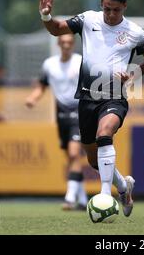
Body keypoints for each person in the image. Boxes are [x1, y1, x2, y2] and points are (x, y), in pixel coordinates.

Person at [38, 0, 144, 217]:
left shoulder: (136, 33)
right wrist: (46, 14)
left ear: (125, 7)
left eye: (117, 10)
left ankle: (103, 196)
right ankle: (123, 187)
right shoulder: (88, 20)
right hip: (87, 99)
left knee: (105, 134)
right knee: (93, 159)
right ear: (102, 3)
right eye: (108, 8)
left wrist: (133, 74)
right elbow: (57, 29)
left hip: (114, 97)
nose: (111, 14)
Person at [25, 34, 88, 211]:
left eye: (69, 42)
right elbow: (41, 86)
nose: (67, 45)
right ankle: (82, 200)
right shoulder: (49, 64)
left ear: (73, 44)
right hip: (61, 115)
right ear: (59, 44)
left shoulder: (81, 62)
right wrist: (33, 98)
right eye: (64, 42)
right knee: (70, 158)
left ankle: (69, 198)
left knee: (75, 154)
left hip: (79, 112)